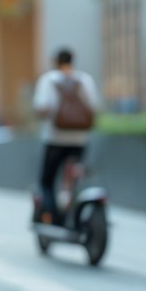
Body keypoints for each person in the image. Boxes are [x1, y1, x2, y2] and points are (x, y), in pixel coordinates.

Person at [32, 47, 100, 222]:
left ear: (56, 62)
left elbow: (41, 108)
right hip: (79, 140)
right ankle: (74, 215)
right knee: (73, 180)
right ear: (72, 61)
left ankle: (54, 217)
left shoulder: (48, 80)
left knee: (47, 182)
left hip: (54, 139)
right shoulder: (85, 80)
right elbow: (94, 107)